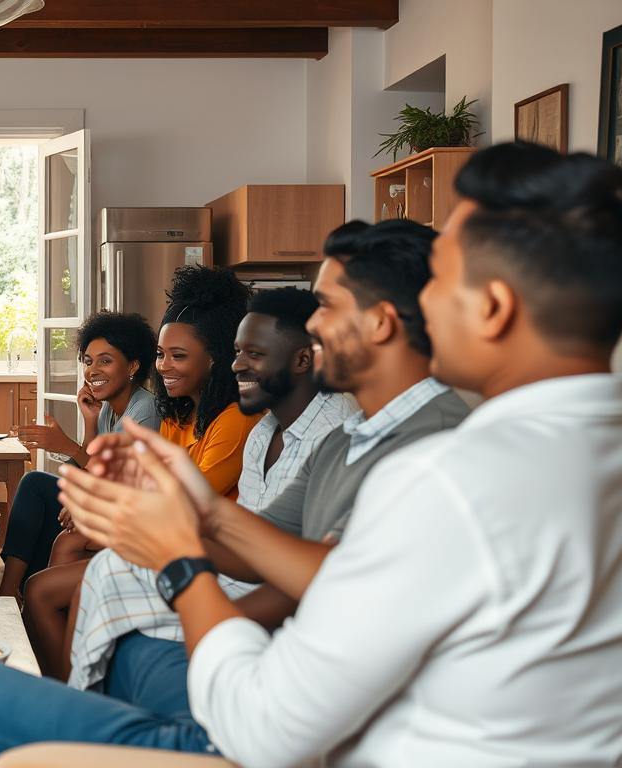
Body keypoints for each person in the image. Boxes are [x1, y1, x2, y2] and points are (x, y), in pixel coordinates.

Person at [57, 142, 622, 765]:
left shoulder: (449, 474)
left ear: (492, 308)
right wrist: (192, 509)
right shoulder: (568, 449)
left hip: (284, 728)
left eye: (442, 282)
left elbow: (269, 725)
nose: (423, 307)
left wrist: (181, 562)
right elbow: (329, 569)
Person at [0, 219, 467, 765]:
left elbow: (330, 594)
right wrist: (177, 508)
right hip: (264, 688)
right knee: (93, 579)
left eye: (327, 308)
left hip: (258, 718)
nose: (314, 325)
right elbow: (267, 540)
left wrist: (180, 559)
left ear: (382, 322)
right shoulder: (353, 435)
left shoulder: (428, 450)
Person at [69, 287, 355, 694]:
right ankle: (90, 710)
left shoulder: (335, 434)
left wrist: (207, 604)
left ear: (303, 358)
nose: (236, 364)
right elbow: (252, 540)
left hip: (273, 597)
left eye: (253, 354)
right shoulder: (264, 432)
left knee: (110, 573)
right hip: (244, 571)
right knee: (109, 568)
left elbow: (304, 573)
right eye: (236, 352)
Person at [21, 267, 258, 680]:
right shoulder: (180, 414)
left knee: (45, 586)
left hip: (199, 547)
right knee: (65, 541)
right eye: (162, 355)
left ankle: (65, 695)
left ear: (215, 358)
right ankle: (58, 680)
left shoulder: (233, 420)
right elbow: (141, 482)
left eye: (178, 356)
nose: (164, 366)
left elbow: (183, 504)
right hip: (168, 535)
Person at [0, 310, 160, 601]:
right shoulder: (111, 407)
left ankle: (22, 592)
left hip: (130, 510)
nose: (92, 370)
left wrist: (67, 446)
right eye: (88, 361)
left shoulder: (144, 413)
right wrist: (90, 420)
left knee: (42, 493)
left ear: (133, 366)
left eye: (105, 361)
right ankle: (11, 590)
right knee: (34, 483)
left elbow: (117, 480)